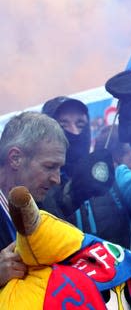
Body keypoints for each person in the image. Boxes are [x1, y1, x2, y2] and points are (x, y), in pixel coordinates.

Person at [41, 70, 131, 250]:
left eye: (80, 124)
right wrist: (73, 193)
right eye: (63, 125)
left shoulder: (112, 175)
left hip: (115, 278)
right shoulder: (33, 180)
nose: (74, 132)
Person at [0, 111, 67, 288]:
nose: (57, 179)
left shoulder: (47, 207)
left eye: (59, 168)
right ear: (15, 158)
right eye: (50, 166)